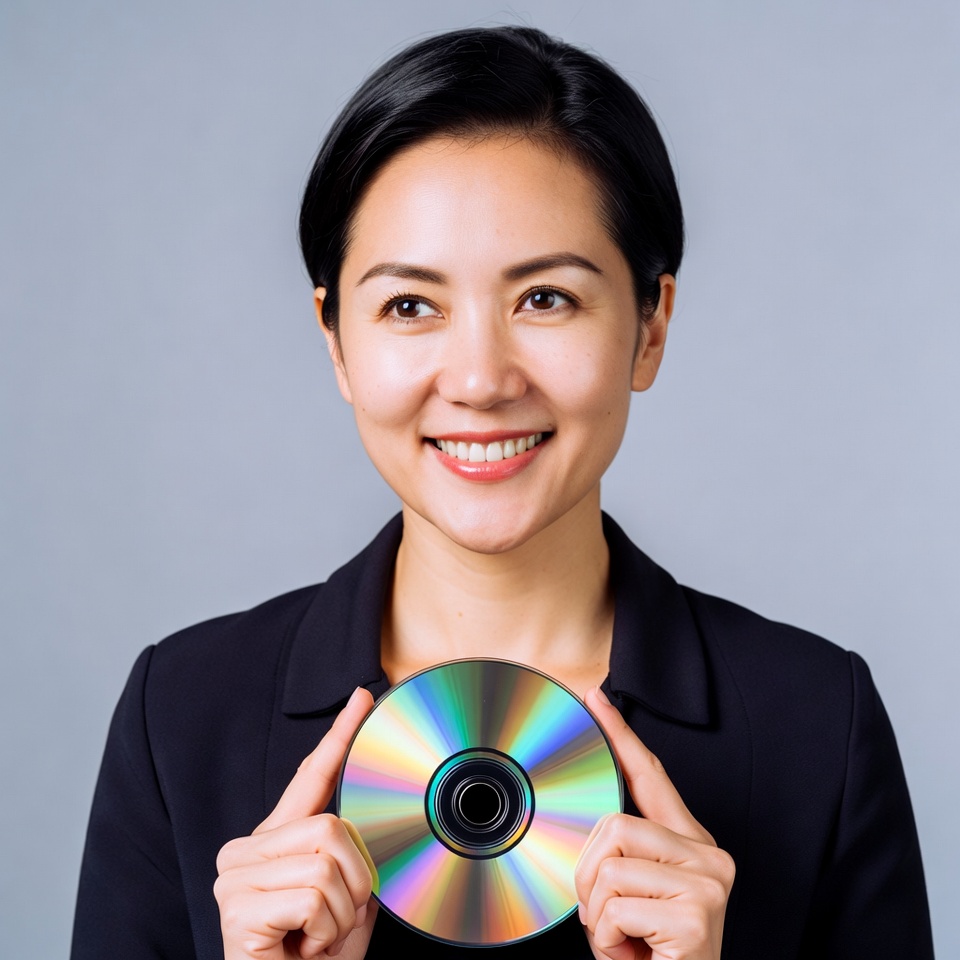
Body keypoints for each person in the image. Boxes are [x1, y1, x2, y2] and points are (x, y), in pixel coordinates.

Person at [71, 24, 933, 960]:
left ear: (650, 327)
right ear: (336, 343)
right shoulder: (185, 714)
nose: (480, 379)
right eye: (410, 306)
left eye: (546, 298)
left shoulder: (818, 720)